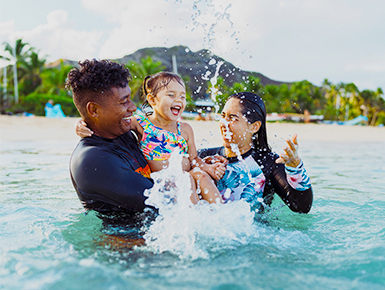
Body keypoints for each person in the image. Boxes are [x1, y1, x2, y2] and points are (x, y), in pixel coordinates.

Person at [77, 72, 225, 204]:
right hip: (164, 181)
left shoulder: (185, 129)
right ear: (152, 100)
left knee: (202, 176)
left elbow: (194, 159)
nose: (178, 100)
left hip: (187, 174)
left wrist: (208, 167)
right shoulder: (142, 123)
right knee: (185, 180)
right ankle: (194, 219)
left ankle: (220, 213)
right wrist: (82, 124)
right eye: (171, 95)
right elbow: (107, 120)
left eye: (182, 96)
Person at [198, 92, 313, 213]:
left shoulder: (268, 163)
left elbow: (301, 207)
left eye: (232, 118)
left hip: (257, 230)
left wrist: (295, 168)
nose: (224, 123)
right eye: (223, 116)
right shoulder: (203, 158)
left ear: (254, 127)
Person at [67, 59, 154, 218]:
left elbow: (167, 151)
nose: (133, 107)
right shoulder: (93, 160)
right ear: (94, 110)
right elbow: (162, 200)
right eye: (124, 102)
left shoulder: (122, 133)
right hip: (129, 241)